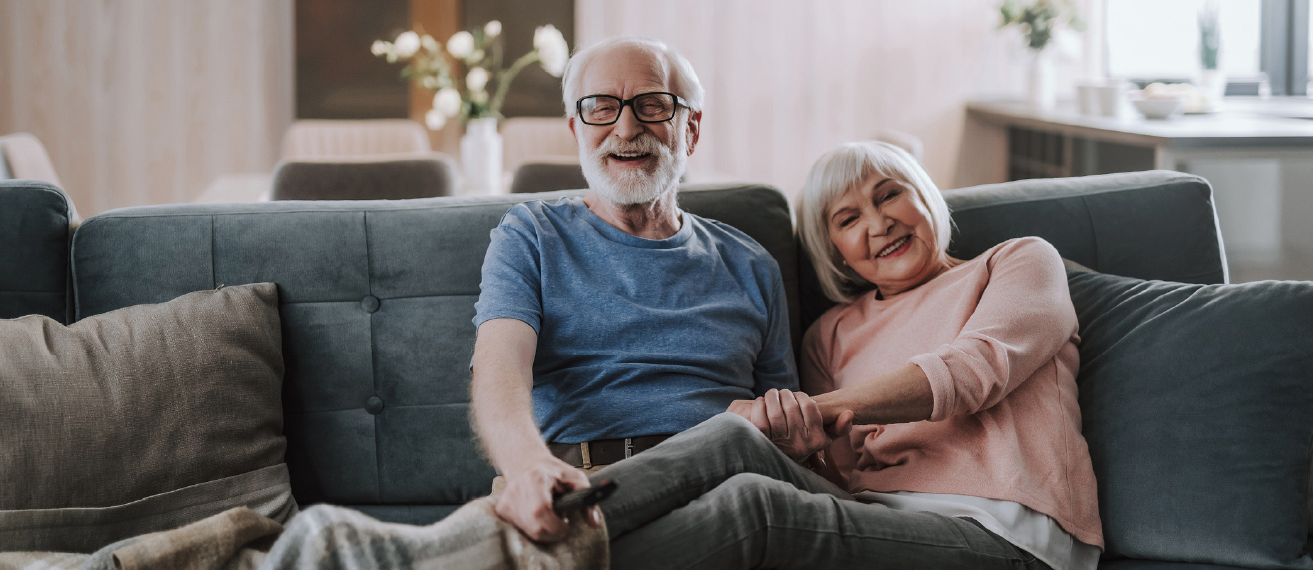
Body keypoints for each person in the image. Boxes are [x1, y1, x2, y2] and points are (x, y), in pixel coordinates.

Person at [575, 140, 1103, 569]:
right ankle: (533, 524)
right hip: (880, 518)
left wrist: (820, 409)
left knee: (754, 509)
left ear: (924, 196)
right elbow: (840, 482)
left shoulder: (1016, 262)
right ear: (836, 253)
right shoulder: (830, 334)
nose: (879, 224)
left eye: (889, 195)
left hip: (1005, 531)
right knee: (735, 436)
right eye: (848, 219)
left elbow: (974, 372)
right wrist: (809, 448)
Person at [469, 36, 797, 544]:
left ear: (690, 128)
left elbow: (787, 423)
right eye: (601, 108)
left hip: (725, 485)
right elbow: (499, 369)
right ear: (576, 129)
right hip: (577, 483)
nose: (625, 128)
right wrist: (529, 466)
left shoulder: (751, 264)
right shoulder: (531, 234)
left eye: (652, 105)